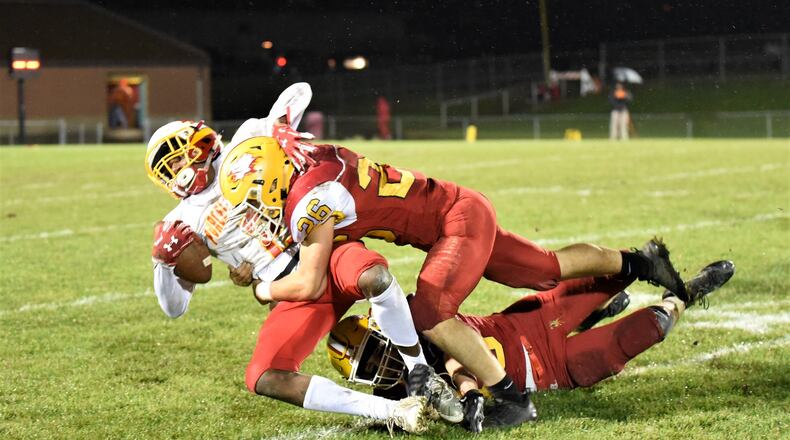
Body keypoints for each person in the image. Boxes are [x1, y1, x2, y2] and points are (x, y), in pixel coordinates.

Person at [218, 131, 688, 427]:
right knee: (547, 270)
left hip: (452, 224)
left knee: (429, 312)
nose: (258, 211)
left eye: (256, 197)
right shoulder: (312, 154)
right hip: (460, 205)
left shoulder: (309, 201)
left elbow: (304, 284)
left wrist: (260, 287)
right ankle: (641, 262)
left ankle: (511, 398)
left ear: (275, 177)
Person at [144, 83, 436, 433]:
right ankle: (392, 411)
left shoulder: (245, 143)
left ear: (198, 145)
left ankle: (424, 375)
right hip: (290, 290)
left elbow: (300, 91)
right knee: (263, 375)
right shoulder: (184, 221)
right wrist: (164, 262)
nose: (175, 173)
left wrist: (279, 124)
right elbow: (174, 308)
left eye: (175, 160)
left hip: (324, 252)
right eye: (168, 170)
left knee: (373, 278)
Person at [327, 260, 736, 432]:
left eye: (377, 350)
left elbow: (453, 360)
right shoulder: (391, 394)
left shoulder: (414, 326)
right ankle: (687, 293)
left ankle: (608, 303)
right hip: (550, 370)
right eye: (371, 365)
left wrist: (469, 393)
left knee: (612, 274)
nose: (382, 364)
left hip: (529, 322)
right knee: (651, 328)